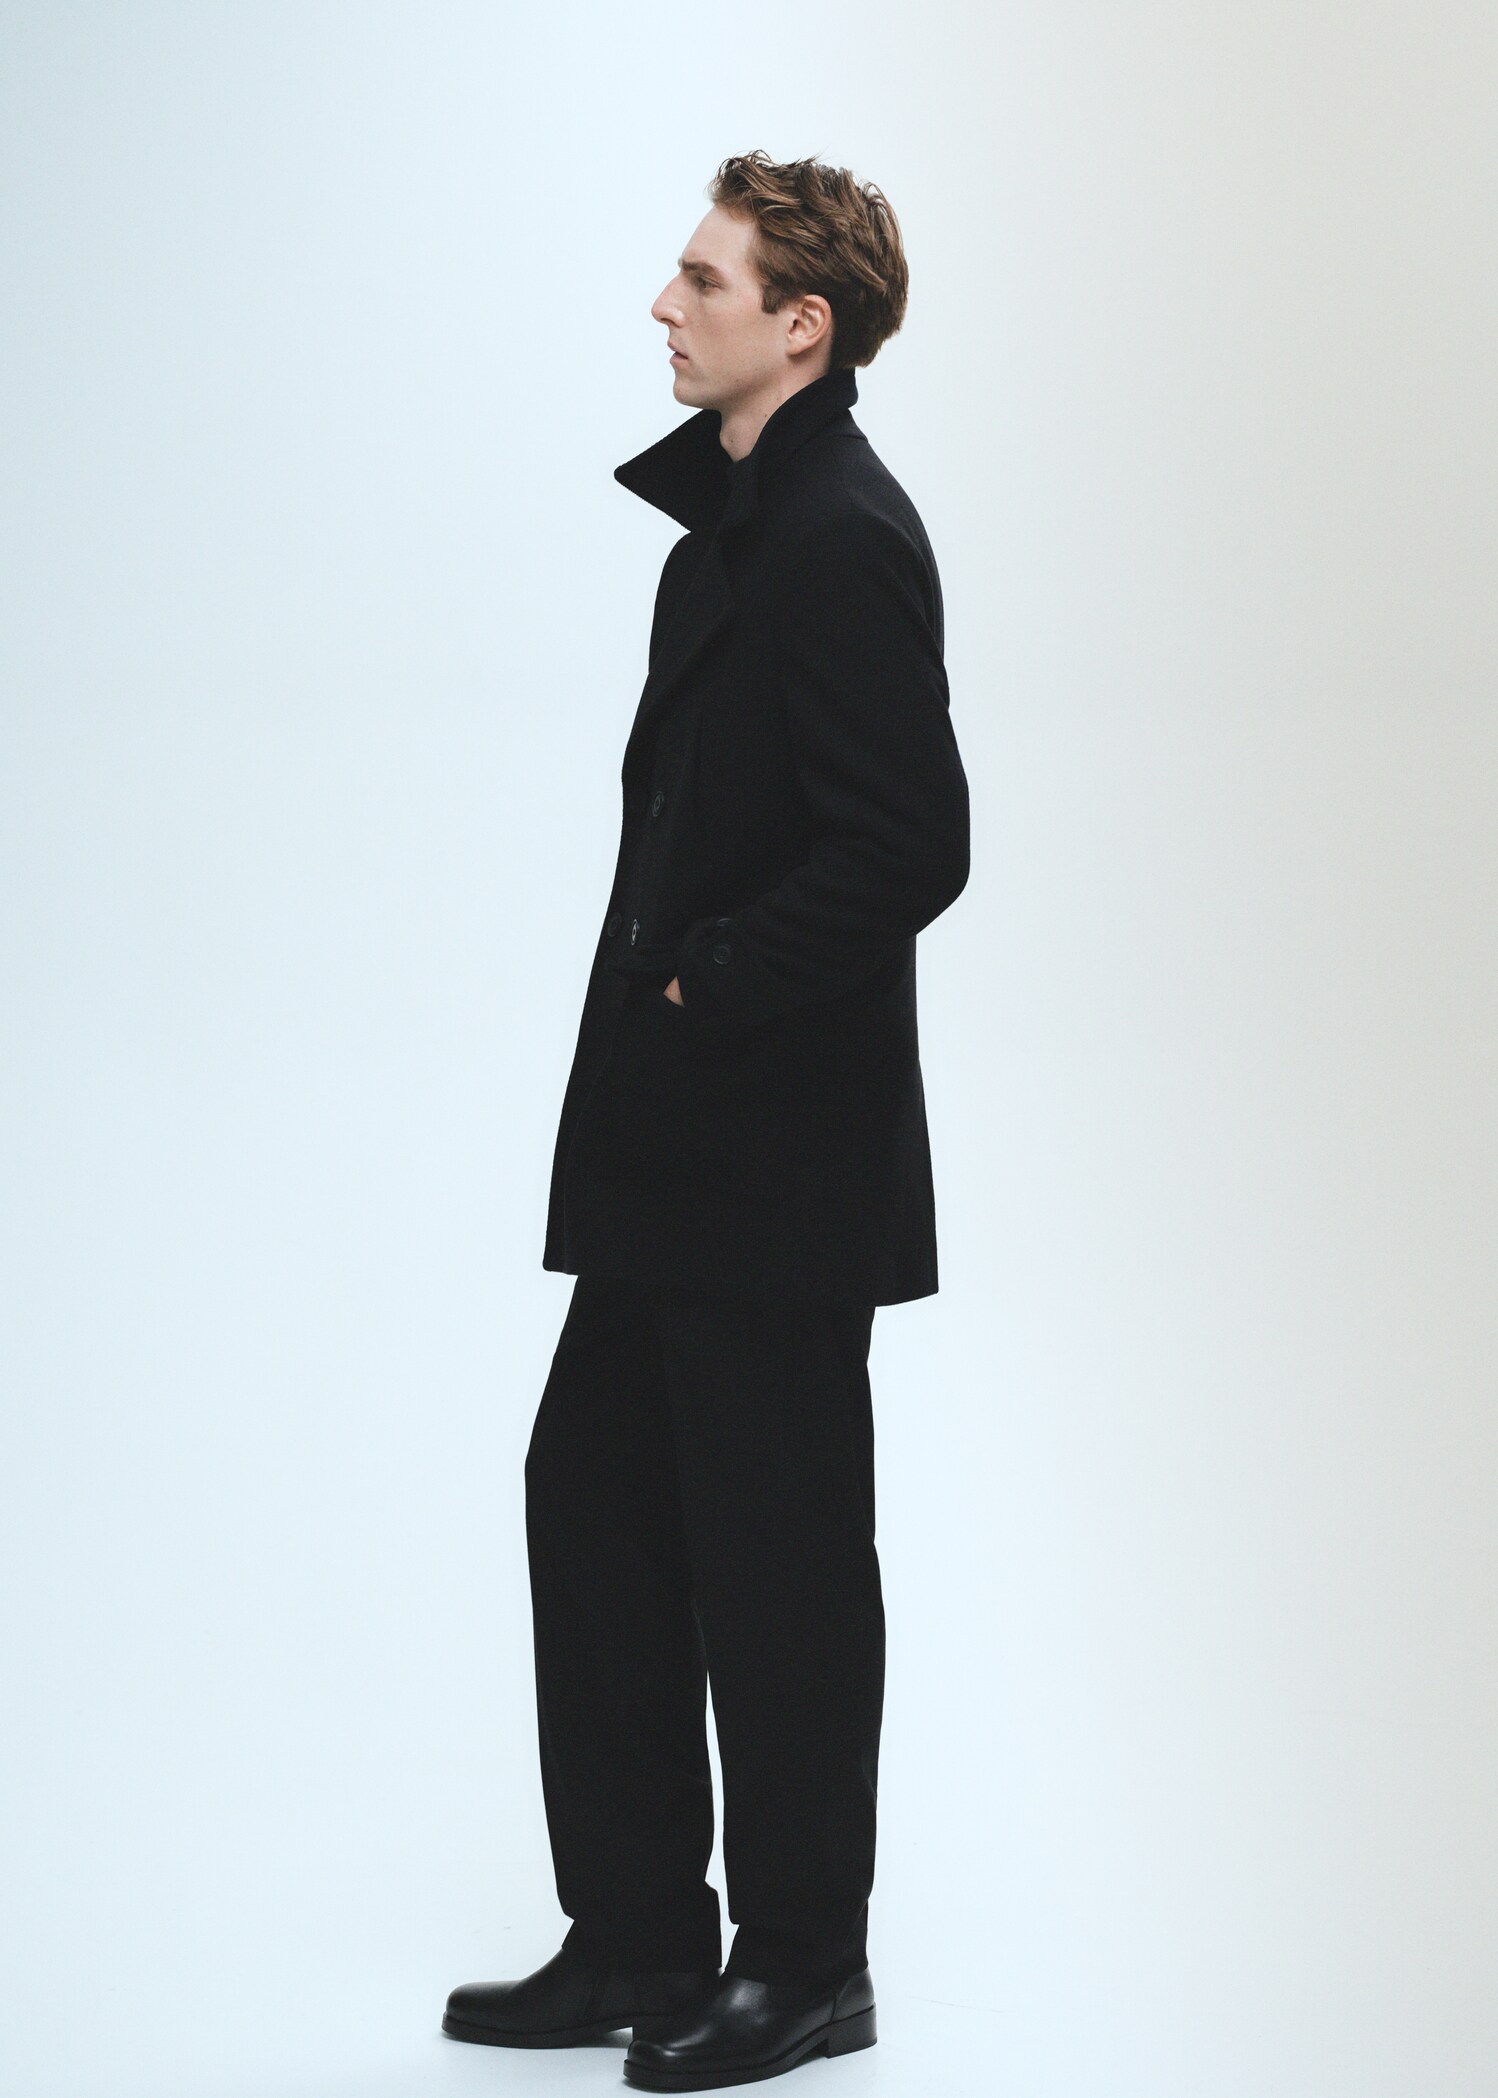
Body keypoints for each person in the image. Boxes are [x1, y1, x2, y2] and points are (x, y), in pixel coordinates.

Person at [443, 149, 970, 2090]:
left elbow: (912, 843)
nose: (663, 306)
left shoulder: (837, 532)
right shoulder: (733, 533)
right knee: (590, 1506)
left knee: (779, 1558)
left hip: (774, 1160)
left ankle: (806, 1961)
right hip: (676, 1156)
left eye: (701, 279)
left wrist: (709, 980)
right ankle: (640, 1929)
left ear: (798, 326)